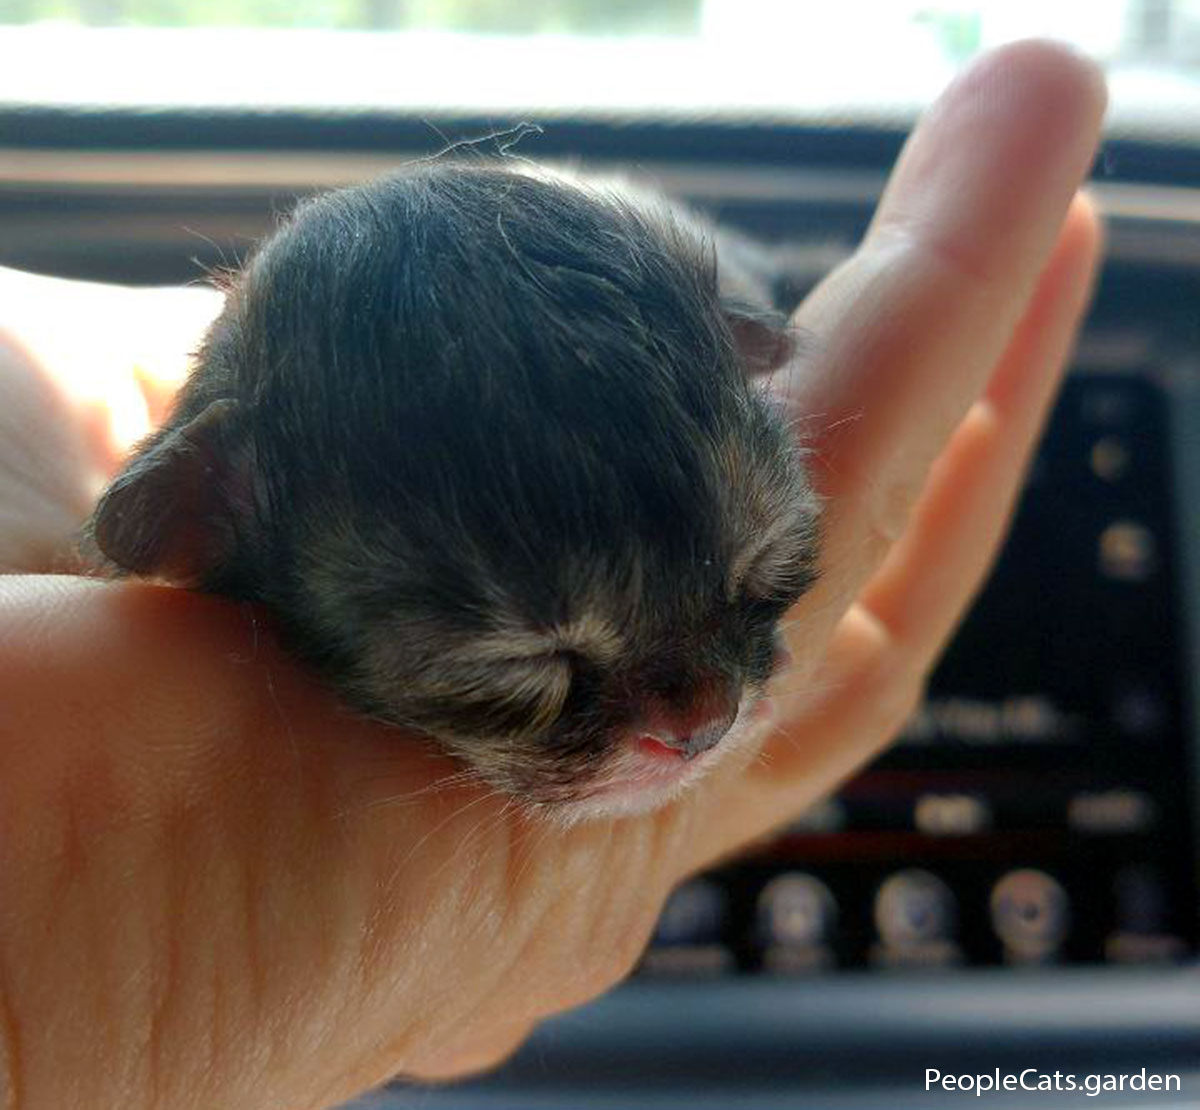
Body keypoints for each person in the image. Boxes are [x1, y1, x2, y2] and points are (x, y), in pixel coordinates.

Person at [0, 39, 1105, 1110]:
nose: (704, 713)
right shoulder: (228, 486)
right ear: (208, 512)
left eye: (761, 580)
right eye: (527, 664)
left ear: (736, 349)